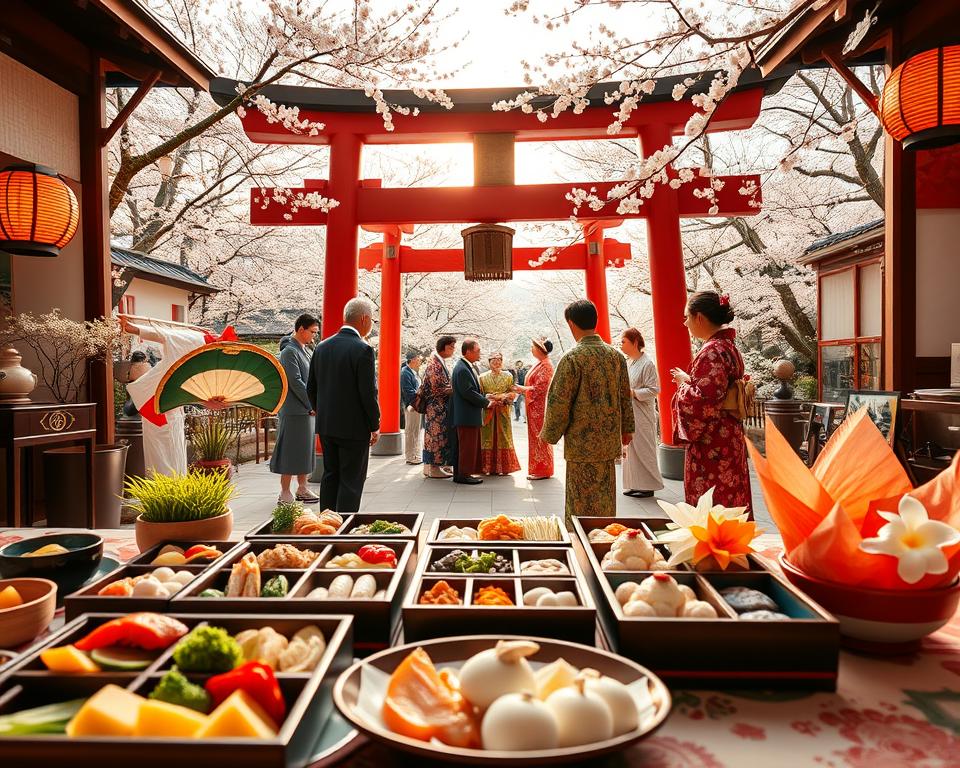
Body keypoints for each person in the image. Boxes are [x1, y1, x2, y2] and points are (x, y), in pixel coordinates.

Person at [541, 300, 634, 526]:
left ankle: (579, 541)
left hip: (581, 443)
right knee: (605, 495)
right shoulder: (616, 357)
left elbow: (558, 402)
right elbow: (625, 396)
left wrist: (549, 434)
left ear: (571, 323)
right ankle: (603, 536)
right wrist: (627, 429)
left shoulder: (573, 358)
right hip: (607, 441)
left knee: (579, 500)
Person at [671, 291, 753, 515]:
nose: (685, 323)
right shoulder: (728, 347)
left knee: (712, 497)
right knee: (731, 494)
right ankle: (732, 543)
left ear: (699, 318)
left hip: (713, 441)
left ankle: (713, 547)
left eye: (687, 317)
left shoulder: (712, 352)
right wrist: (690, 381)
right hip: (729, 434)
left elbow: (702, 402)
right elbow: (713, 390)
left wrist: (682, 385)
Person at [308, 297, 380, 512]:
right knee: (351, 480)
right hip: (354, 427)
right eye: (373, 320)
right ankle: (345, 529)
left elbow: (311, 387)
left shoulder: (321, 347)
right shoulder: (363, 350)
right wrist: (374, 425)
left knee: (331, 475)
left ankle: (327, 524)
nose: (372, 324)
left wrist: (323, 412)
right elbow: (368, 393)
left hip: (327, 425)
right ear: (365, 318)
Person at [119, 315, 205, 477]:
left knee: (167, 455)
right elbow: (165, 336)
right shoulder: (195, 342)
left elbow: (165, 336)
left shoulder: (194, 344)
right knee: (164, 456)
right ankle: (166, 495)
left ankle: (168, 494)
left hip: (166, 405)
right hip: (158, 404)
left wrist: (137, 329)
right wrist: (136, 329)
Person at [270, 313, 320, 503]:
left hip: (305, 410)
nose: (314, 336)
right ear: (301, 329)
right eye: (312, 332)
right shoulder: (289, 351)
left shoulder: (304, 350)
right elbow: (295, 382)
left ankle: (302, 488)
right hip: (294, 409)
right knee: (291, 450)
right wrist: (311, 404)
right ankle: (285, 491)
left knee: (305, 450)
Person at [619, 327, 664, 498]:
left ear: (635, 342)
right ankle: (635, 483)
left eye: (624, 342)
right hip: (631, 412)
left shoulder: (648, 363)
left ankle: (649, 485)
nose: (621, 345)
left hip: (642, 412)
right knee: (631, 449)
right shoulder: (630, 362)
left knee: (644, 449)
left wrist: (632, 392)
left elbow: (654, 389)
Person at [450, 338, 492, 485]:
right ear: (468, 352)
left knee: (464, 446)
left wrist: (485, 397)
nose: (479, 353)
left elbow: (471, 391)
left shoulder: (465, 366)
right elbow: (469, 392)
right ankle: (464, 475)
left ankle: (460, 474)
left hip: (465, 415)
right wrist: (487, 402)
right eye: (477, 350)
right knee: (467, 447)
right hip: (466, 415)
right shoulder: (462, 369)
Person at [514, 338, 555, 479]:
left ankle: (542, 470)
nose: (532, 349)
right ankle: (539, 469)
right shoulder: (541, 364)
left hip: (540, 408)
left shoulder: (546, 366)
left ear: (540, 349)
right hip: (534, 407)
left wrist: (522, 389)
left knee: (540, 438)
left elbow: (541, 389)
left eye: (534, 347)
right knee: (536, 437)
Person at [479, 353, 521, 475]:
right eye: (494, 360)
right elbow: (480, 394)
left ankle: (504, 467)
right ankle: (487, 466)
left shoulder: (508, 376)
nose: (497, 363)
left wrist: (506, 397)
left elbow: (512, 391)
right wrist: (489, 398)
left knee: (504, 436)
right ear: (489, 362)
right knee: (487, 436)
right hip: (489, 410)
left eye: (499, 360)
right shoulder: (481, 377)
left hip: (503, 410)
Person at [421, 335, 457, 478]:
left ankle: (430, 467)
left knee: (434, 436)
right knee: (436, 437)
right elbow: (437, 388)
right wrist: (454, 389)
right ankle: (433, 468)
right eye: (451, 347)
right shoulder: (435, 364)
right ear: (445, 347)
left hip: (437, 407)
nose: (453, 350)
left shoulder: (436, 361)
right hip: (437, 408)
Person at [400, 350, 423, 465]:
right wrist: (419, 393)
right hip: (412, 405)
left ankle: (415, 454)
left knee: (415, 431)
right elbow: (408, 392)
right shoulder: (405, 373)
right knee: (411, 431)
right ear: (413, 359)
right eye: (418, 359)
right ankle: (410, 456)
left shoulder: (412, 372)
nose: (420, 361)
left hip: (416, 404)